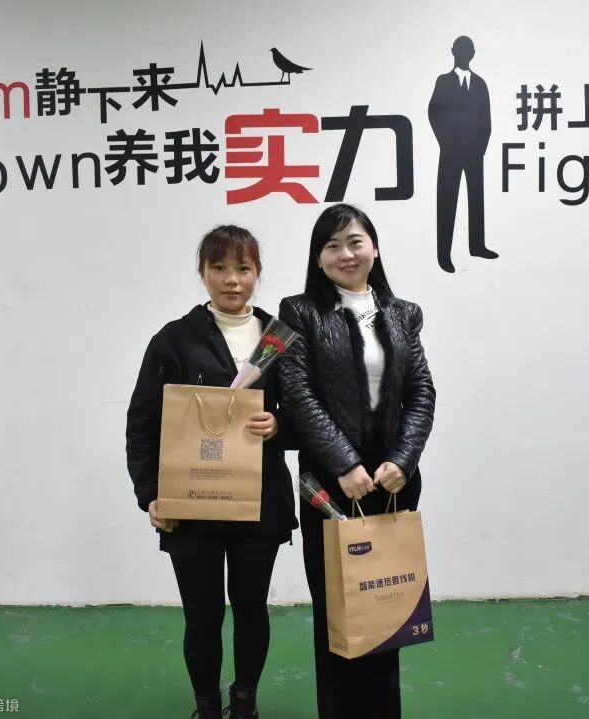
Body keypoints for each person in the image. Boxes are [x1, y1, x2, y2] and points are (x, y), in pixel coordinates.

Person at [126, 225, 298, 719]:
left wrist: (279, 425)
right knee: (201, 615)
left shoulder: (279, 338)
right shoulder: (174, 339)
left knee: (251, 610)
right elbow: (143, 423)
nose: (231, 279)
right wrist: (150, 494)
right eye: (218, 268)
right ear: (202, 273)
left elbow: (306, 415)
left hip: (259, 501)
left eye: (243, 268)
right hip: (191, 504)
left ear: (257, 273)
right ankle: (206, 706)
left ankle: (244, 702)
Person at [278, 204, 436, 719]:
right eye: (332, 246)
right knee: (339, 605)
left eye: (355, 242)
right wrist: (344, 463)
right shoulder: (299, 312)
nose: (345, 254)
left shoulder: (403, 313)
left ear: (375, 247)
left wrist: (403, 460)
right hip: (331, 479)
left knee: (387, 603)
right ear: (318, 258)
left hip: (392, 479)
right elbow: (297, 393)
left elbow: (421, 391)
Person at [428, 34, 497, 273]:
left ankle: (477, 245)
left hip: (474, 153)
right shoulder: (443, 81)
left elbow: (486, 120)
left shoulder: (480, 84)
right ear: (453, 52)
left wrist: (480, 148)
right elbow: (434, 113)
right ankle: (444, 254)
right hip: (450, 152)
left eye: (468, 51)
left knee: (476, 199)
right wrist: (446, 143)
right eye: (460, 50)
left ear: (473, 54)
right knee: (447, 201)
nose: (464, 55)